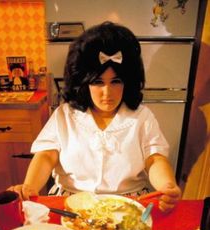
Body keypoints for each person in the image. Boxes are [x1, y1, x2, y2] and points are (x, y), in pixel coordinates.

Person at [10, 21, 181, 212]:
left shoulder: (142, 117)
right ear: (83, 83)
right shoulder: (64, 115)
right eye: (98, 82)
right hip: (70, 204)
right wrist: (29, 187)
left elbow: (155, 159)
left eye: (116, 81)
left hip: (129, 204)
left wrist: (166, 185)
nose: (107, 92)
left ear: (128, 81)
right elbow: (46, 155)